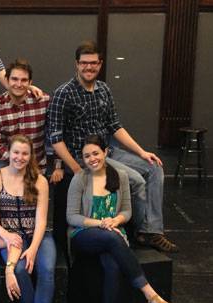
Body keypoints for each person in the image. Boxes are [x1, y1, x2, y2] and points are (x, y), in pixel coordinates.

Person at [47, 40, 178, 253]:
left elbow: (115, 126)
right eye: (84, 63)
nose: (89, 67)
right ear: (76, 64)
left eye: (93, 63)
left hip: (108, 152)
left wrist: (142, 152)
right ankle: (139, 229)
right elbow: (56, 139)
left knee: (154, 168)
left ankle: (150, 230)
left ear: (100, 64)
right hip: (85, 158)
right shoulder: (64, 93)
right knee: (135, 181)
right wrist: (78, 170)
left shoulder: (104, 90)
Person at [67, 135, 174, 303]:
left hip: (114, 231)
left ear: (105, 152)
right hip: (84, 234)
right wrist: (100, 223)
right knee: (111, 236)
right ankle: (149, 293)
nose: (92, 159)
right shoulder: (80, 179)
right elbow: (72, 217)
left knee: (114, 265)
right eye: (87, 156)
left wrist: (116, 220)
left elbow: (126, 211)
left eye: (96, 153)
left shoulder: (121, 177)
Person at [0, 134, 56, 303]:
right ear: (8, 152)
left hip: (39, 234)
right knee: (20, 270)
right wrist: (5, 235)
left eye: (25, 154)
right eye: (16, 152)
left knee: (47, 270)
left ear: (30, 156)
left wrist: (34, 248)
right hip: (12, 236)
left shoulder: (40, 180)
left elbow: (42, 220)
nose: (19, 158)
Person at [0, 58, 63, 183]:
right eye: (14, 79)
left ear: (30, 82)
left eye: (24, 80)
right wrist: (21, 160)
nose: (19, 84)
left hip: (37, 166)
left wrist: (58, 166)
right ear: (7, 80)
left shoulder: (43, 101)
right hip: (9, 163)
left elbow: (55, 135)